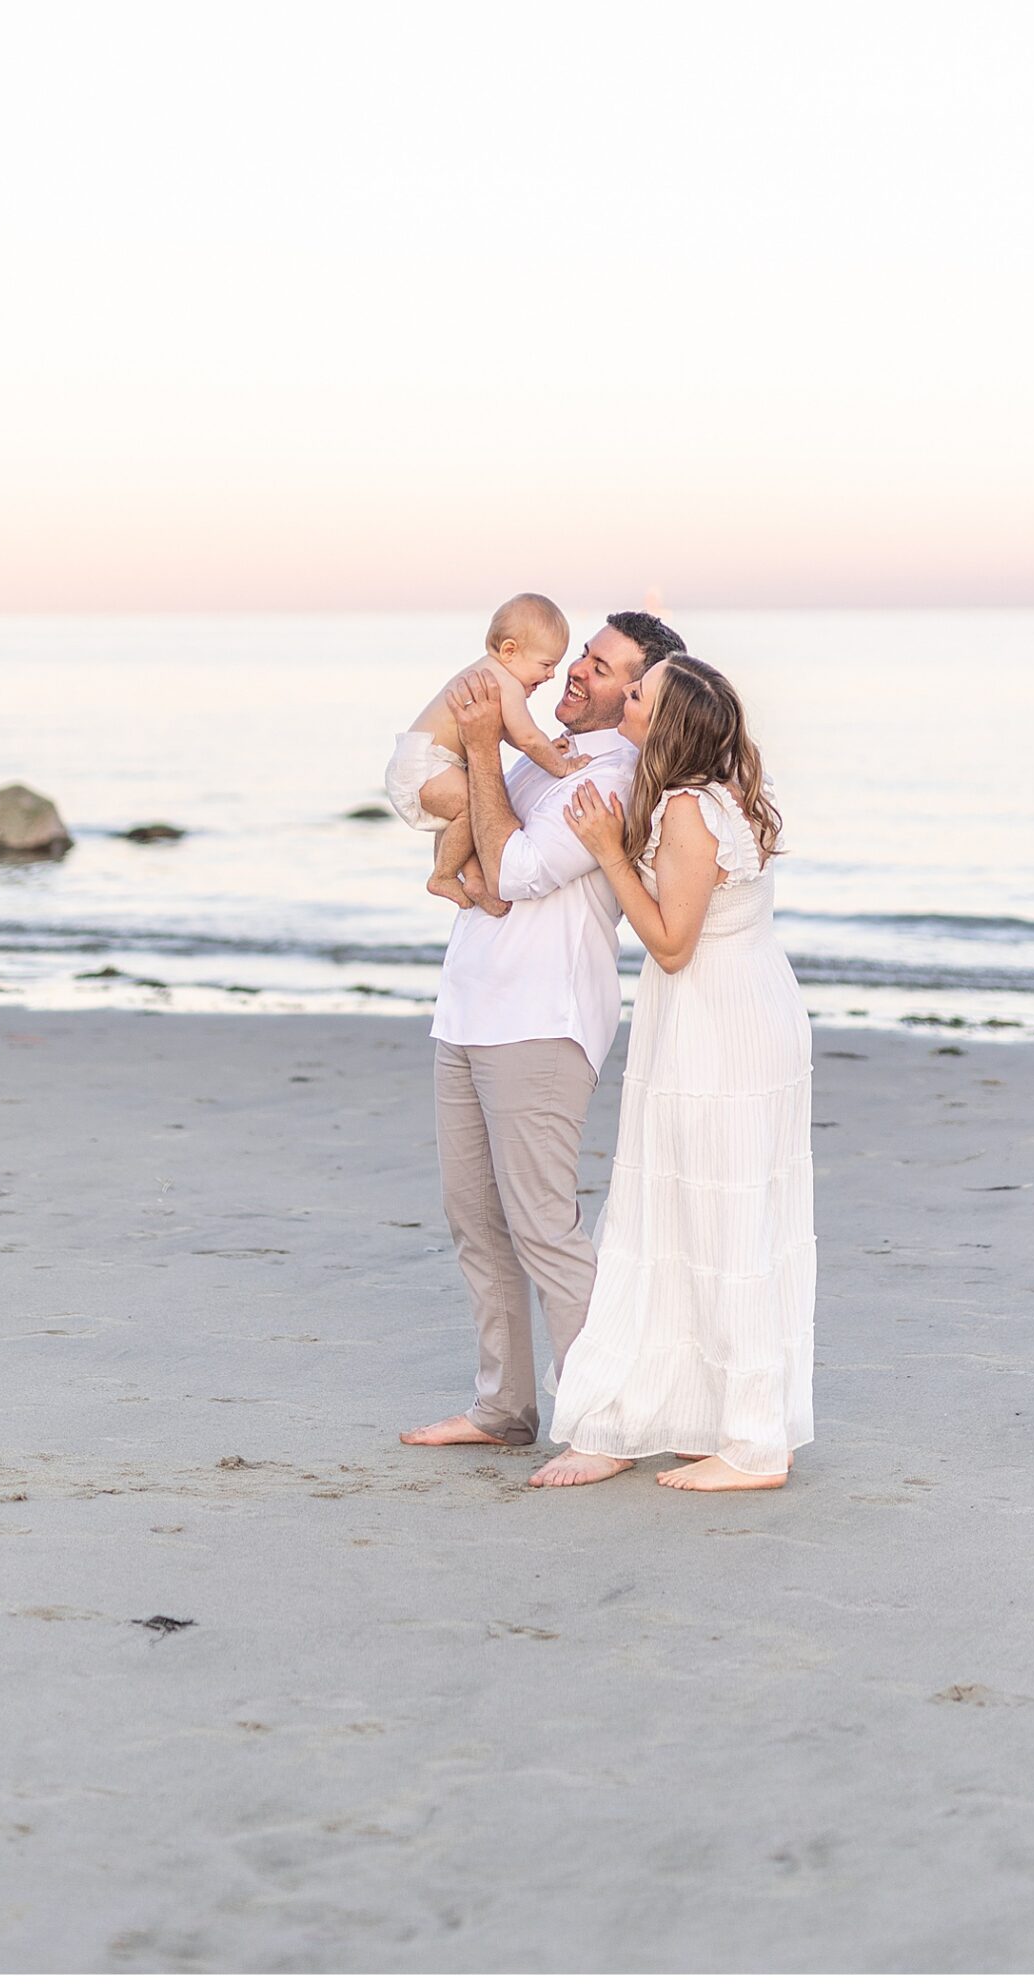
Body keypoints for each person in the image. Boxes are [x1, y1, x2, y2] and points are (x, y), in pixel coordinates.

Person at [399, 610, 689, 1453]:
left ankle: (605, 1417)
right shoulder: (542, 759)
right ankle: (502, 1408)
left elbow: (518, 869)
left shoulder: (619, 774)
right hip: (469, 1009)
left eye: (600, 669)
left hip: (541, 1020)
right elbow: (454, 824)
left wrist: (487, 747)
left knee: (542, 1228)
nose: (576, 674)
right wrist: (474, 752)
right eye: (583, 658)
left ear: (637, 694)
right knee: (475, 1220)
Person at [530, 654, 814, 1492]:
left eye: (640, 695)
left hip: (716, 1024)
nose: (626, 697)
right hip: (734, 1010)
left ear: (668, 722)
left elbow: (670, 943)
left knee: (715, 1218)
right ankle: (709, 1416)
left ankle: (753, 1445)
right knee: (699, 1213)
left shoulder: (690, 811)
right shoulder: (714, 797)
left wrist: (606, 850)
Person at [384, 593, 582, 913]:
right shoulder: (506, 683)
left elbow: (512, 732)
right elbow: (528, 737)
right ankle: (443, 875)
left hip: (420, 761)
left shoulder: (490, 673)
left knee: (464, 815)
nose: (551, 675)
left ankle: (474, 881)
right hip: (426, 765)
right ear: (510, 651)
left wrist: (547, 746)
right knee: (472, 806)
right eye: (546, 665)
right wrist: (561, 766)